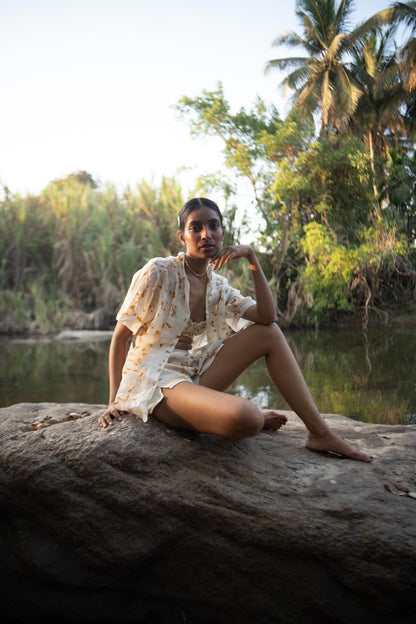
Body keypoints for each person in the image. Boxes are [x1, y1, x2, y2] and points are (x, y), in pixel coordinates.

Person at [99, 197, 372, 462]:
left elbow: (267, 316)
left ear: (222, 231)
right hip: (158, 382)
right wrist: (114, 402)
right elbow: (121, 338)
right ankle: (240, 414)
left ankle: (320, 432)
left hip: (196, 372)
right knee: (249, 418)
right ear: (182, 236)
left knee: (269, 333)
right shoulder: (158, 271)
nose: (206, 234)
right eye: (196, 227)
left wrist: (252, 257)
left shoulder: (218, 286)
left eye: (213, 225)